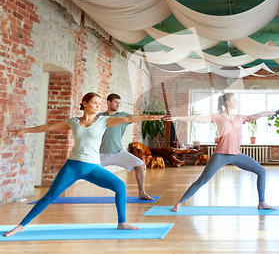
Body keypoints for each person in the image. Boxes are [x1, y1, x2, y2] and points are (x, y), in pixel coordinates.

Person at [3, 92, 165, 237]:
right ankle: (21, 226)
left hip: (93, 167)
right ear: (85, 103)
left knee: (120, 186)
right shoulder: (73, 122)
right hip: (72, 167)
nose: (97, 106)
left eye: (99, 103)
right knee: (49, 197)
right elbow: (48, 127)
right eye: (94, 102)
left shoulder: (104, 121)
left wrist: (147, 117)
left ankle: (122, 223)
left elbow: (127, 118)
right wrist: (26, 131)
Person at [165, 92, 279, 212]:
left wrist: (278, 112)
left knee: (262, 171)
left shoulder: (240, 118)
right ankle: (179, 203)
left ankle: (262, 202)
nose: (236, 102)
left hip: (236, 155)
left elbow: (261, 114)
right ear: (227, 103)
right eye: (234, 100)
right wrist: (176, 118)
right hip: (220, 155)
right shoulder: (218, 117)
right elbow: (196, 118)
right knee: (202, 180)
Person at [99, 94, 153, 201]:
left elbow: (138, 117)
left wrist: (152, 117)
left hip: (118, 153)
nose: (118, 104)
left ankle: (142, 192)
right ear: (108, 102)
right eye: (115, 102)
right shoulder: (100, 117)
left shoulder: (123, 116)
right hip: (99, 153)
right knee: (80, 169)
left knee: (139, 164)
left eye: (119, 102)